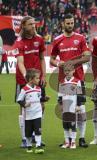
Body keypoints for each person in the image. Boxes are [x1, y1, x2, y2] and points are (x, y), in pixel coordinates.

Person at [50, 13, 91, 148]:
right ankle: (67, 139)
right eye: (67, 23)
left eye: (72, 23)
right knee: (65, 111)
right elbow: (51, 59)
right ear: (63, 24)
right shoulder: (57, 40)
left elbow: (87, 57)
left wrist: (71, 63)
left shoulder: (80, 38)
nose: (70, 25)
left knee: (81, 110)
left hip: (79, 78)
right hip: (63, 80)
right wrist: (58, 63)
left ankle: (82, 138)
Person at [12, 16, 48, 148]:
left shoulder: (39, 39)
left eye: (34, 24)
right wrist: (27, 78)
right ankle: (24, 138)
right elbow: (20, 62)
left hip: (39, 79)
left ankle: (36, 135)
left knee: (42, 106)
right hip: (23, 80)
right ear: (23, 26)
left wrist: (43, 76)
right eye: (30, 24)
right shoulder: (19, 42)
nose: (34, 26)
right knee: (24, 107)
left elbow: (42, 58)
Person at [58, 64, 86, 149]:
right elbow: (60, 95)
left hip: (73, 108)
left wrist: (78, 105)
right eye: (66, 71)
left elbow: (80, 94)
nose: (67, 72)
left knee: (74, 125)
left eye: (69, 71)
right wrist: (60, 104)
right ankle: (67, 142)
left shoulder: (77, 81)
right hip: (65, 108)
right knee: (65, 125)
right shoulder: (62, 82)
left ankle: (73, 142)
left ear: (73, 71)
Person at [17, 69, 44, 154]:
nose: (39, 80)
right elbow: (19, 100)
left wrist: (44, 99)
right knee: (28, 133)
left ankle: (38, 146)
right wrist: (24, 104)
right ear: (30, 79)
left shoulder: (39, 89)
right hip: (28, 115)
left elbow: (40, 98)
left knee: (38, 130)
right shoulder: (24, 89)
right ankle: (29, 146)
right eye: (37, 78)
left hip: (37, 113)